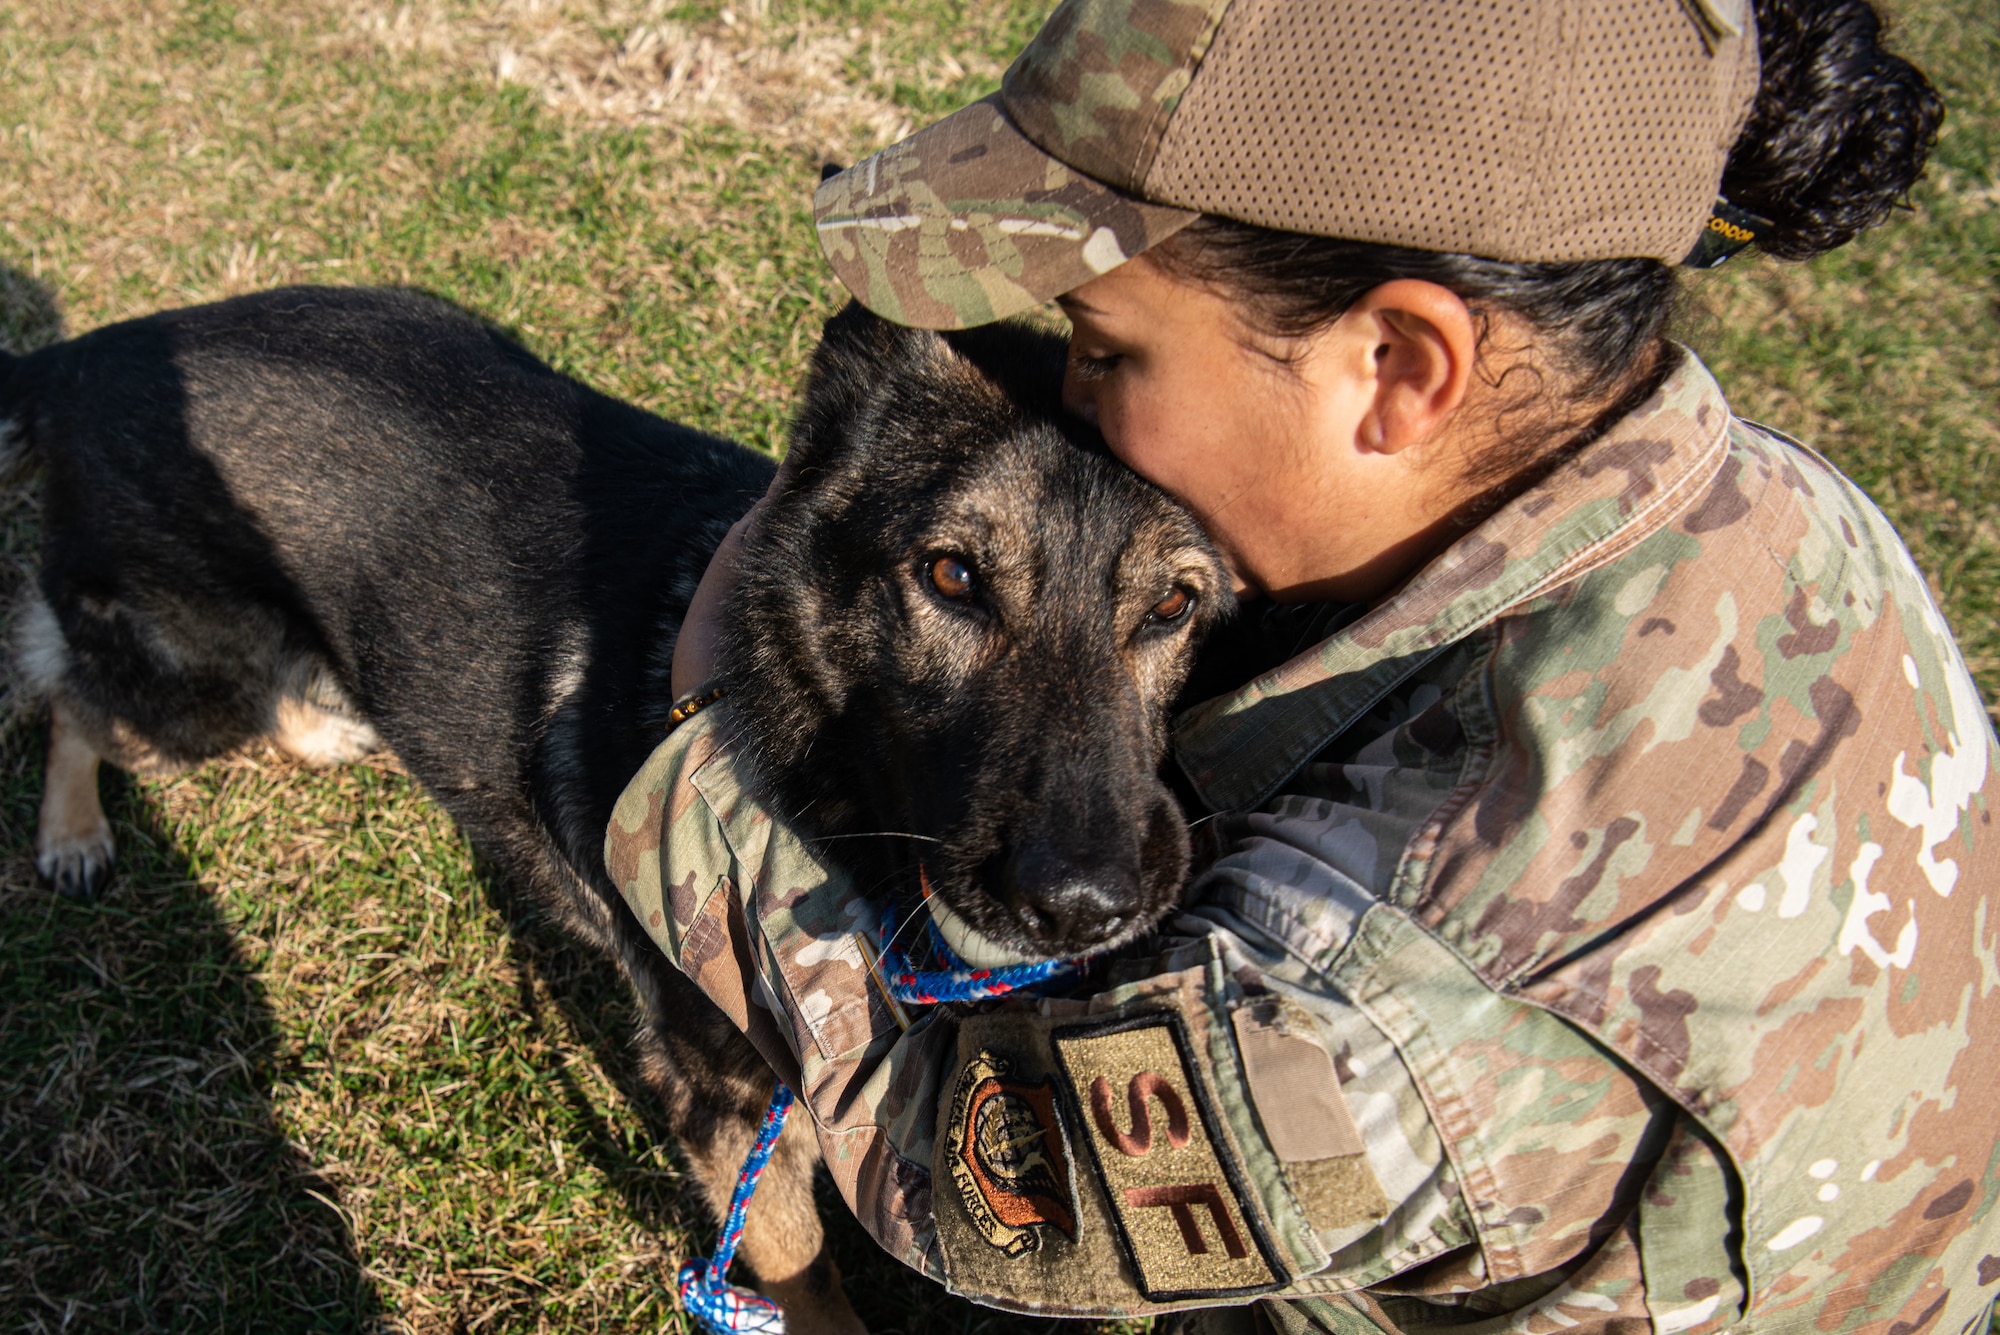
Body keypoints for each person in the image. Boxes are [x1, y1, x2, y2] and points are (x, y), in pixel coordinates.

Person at [607, 0, 2000, 1328]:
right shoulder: (1787, 507)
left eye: (1103, 351)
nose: (1074, 404)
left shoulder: (1381, 992)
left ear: (1395, 368)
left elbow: (974, 1186)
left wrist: (709, 733)